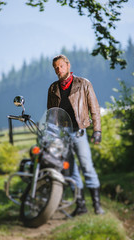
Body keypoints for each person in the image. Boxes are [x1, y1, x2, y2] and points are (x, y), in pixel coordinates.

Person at [47, 54, 104, 216]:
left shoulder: (83, 84)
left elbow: (94, 109)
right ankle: (80, 205)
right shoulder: (52, 88)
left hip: (79, 132)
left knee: (87, 166)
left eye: (61, 66)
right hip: (61, 134)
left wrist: (97, 131)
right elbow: (51, 114)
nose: (59, 70)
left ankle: (97, 205)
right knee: (70, 170)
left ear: (68, 65)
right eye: (56, 68)